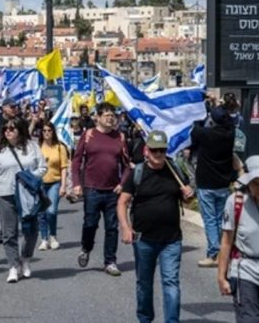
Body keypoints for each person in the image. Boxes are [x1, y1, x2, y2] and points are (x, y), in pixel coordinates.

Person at [118, 131, 194, 323]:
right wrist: (126, 228)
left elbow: (187, 201)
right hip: (144, 240)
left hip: (171, 240)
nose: (158, 154)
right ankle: (145, 319)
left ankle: (171, 320)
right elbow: (122, 202)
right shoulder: (138, 173)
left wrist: (188, 195)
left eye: (162, 150)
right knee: (144, 284)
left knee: (171, 283)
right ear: (147, 150)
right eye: (154, 150)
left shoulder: (174, 170)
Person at [0, 118, 46, 283]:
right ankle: (13, 265)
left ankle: (26, 257)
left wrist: (29, 177)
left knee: (31, 231)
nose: (8, 131)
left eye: (12, 128)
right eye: (5, 128)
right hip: (6, 195)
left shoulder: (32, 146)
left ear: (20, 130)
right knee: (9, 233)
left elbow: (42, 167)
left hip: (27, 195)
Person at [71, 102, 129, 276]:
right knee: (90, 223)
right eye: (106, 115)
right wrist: (76, 183)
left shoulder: (120, 137)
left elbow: (127, 165)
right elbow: (76, 161)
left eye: (113, 115)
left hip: (113, 191)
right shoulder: (88, 135)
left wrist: (123, 183)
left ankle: (110, 261)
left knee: (112, 227)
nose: (110, 118)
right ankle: (86, 248)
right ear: (97, 117)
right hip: (92, 189)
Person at [191, 107, 236, 268]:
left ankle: (213, 254)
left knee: (210, 219)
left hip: (206, 184)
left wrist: (202, 109)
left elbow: (194, 128)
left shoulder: (206, 134)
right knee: (219, 219)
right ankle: (222, 252)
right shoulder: (230, 134)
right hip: (223, 184)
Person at [217, 155, 259, 322]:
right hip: (245, 270)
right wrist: (221, 276)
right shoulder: (236, 202)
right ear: (248, 182)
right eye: (255, 183)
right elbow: (226, 241)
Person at [38, 122, 69, 251]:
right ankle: (44, 238)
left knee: (51, 211)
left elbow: (63, 167)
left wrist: (63, 185)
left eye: (49, 130)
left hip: (54, 182)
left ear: (53, 132)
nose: (46, 133)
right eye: (44, 130)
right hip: (40, 183)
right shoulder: (37, 147)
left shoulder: (60, 147)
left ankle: (53, 236)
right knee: (41, 213)